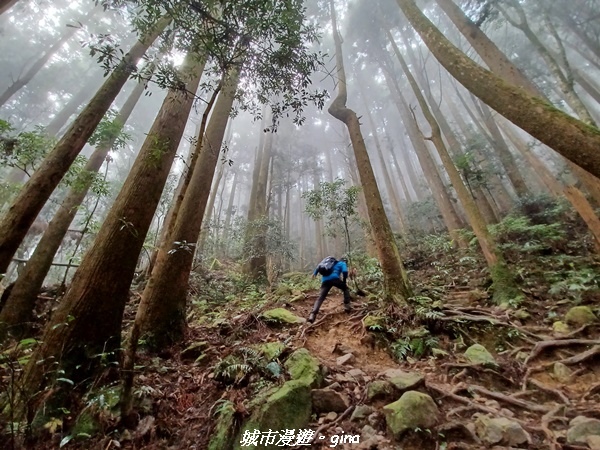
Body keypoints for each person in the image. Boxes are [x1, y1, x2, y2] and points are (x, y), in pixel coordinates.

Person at [308, 256, 351, 323]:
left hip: (325, 281)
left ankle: (312, 314)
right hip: (335, 279)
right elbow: (345, 272)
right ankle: (347, 307)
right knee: (345, 289)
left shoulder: (332, 263)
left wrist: (315, 273)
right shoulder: (342, 263)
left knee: (321, 297)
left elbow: (318, 267)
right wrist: (344, 282)